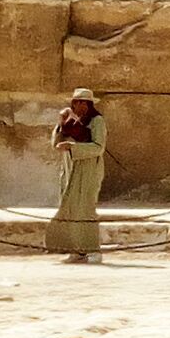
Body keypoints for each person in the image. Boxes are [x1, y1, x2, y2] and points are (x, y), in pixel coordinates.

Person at [49, 88, 107, 261]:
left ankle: (93, 249)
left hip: (88, 170)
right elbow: (56, 142)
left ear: (88, 104)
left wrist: (73, 147)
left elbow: (98, 147)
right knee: (71, 209)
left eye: (81, 102)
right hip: (69, 169)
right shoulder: (70, 121)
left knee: (86, 209)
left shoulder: (97, 121)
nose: (77, 105)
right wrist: (61, 124)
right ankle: (76, 249)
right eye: (75, 102)